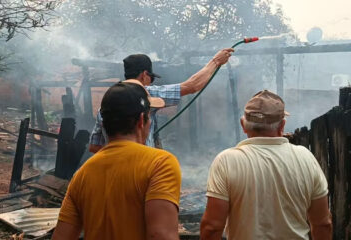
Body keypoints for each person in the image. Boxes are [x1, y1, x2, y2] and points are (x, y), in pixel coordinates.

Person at [52, 82, 181, 240]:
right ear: (142, 120)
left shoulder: (82, 174)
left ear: (104, 124)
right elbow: (161, 235)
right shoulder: (161, 164)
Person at [200, 90, 332, 240]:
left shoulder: (226, 161)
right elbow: (323, 224)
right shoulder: (306, 158)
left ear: (243, 125)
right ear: (282, 125)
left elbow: (212, 227)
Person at [89, 49, 234, 153]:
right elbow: (192, 85)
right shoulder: (147, 94)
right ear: (145, 74)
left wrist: (118, 154)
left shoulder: (107, 102)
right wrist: (215, 62)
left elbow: (94, 146)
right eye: (151, 78)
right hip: (143, 169)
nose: (151, 83)